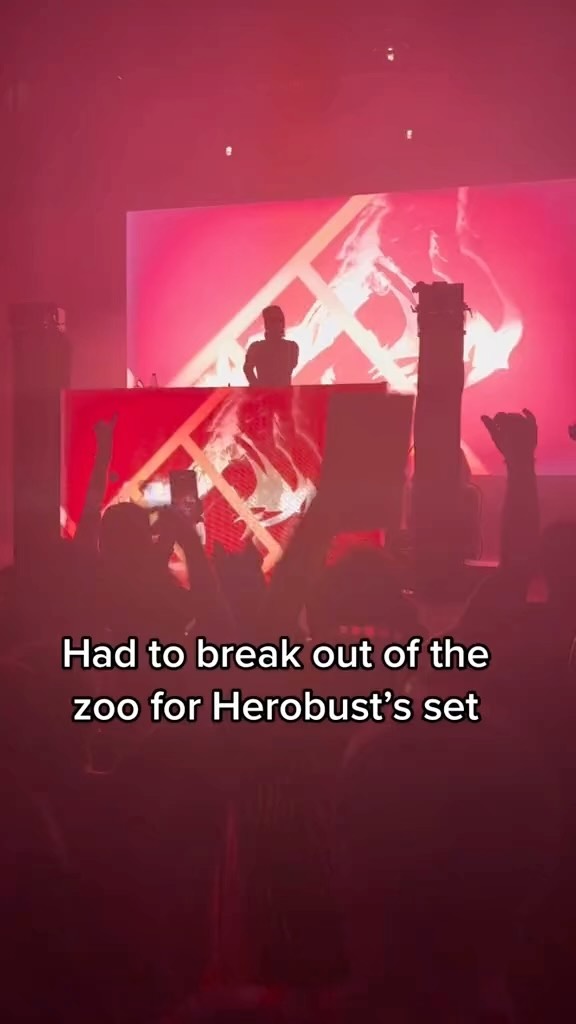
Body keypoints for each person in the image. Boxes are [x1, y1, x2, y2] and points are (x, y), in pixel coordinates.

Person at [243, 307, 299, 388]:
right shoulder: (256, 347)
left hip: (284, 393)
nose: (275, 324)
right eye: (271, 321)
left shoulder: (292, 347)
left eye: (278, 320)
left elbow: (290, 367)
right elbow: (247, 369)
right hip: (264, 394)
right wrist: (258, 388)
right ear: (266, 324)